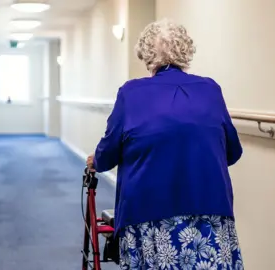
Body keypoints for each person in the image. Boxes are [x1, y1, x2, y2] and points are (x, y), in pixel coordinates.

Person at [86, 19, 244, 269]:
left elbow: (108, 154)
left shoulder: (131, 93)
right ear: (185, 50)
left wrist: (97, 160)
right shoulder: (211, 90)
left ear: (146, 54)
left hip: (148, 214)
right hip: (210, 210)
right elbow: (233, 152)